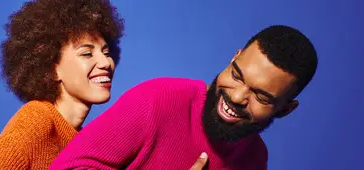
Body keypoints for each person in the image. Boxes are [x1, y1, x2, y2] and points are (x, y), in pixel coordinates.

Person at [48, 25, 318, 170]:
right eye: (236, 75)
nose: (236, 97)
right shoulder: (160, 100)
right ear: (234, 58)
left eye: (261, 96)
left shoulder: (255, 160)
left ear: (285, 110)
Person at [0, 0, 125, 170]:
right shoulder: (37, 121)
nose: (105, 62)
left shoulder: (81, 140)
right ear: (52, 68)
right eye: (87, 53)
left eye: (106, 52)